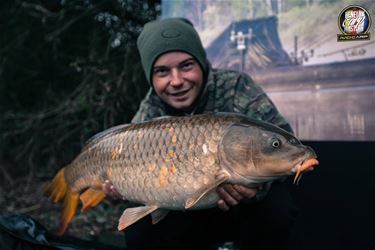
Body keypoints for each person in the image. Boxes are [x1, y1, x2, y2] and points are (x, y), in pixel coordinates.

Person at [103, 17, 298, 250]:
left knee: (278, 205)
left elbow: (282, 145)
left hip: (240, 210)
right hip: (183, 210)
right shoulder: (148, 113)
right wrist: (120, 188)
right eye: (162, 71)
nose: (176, 81)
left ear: (202, 64)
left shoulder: (236, 87)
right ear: (151, 77)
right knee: (140, 228)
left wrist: (254, 189)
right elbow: (140, 184)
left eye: (186, 66)